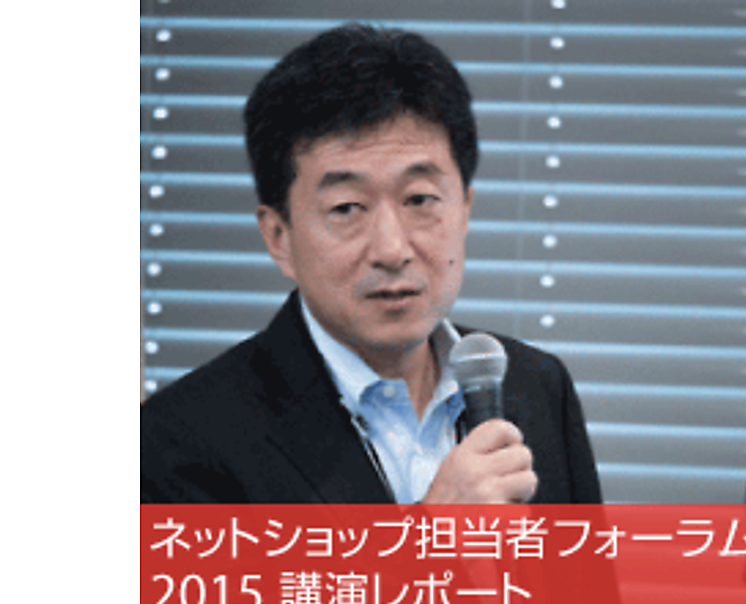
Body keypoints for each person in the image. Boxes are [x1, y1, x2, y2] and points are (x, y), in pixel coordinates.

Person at [140, 23, 603, 505]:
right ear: (279, 238)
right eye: (347, 208)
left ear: (464, 210)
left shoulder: (537, 386)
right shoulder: (176, 441)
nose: (391, 250)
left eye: (420, 199)